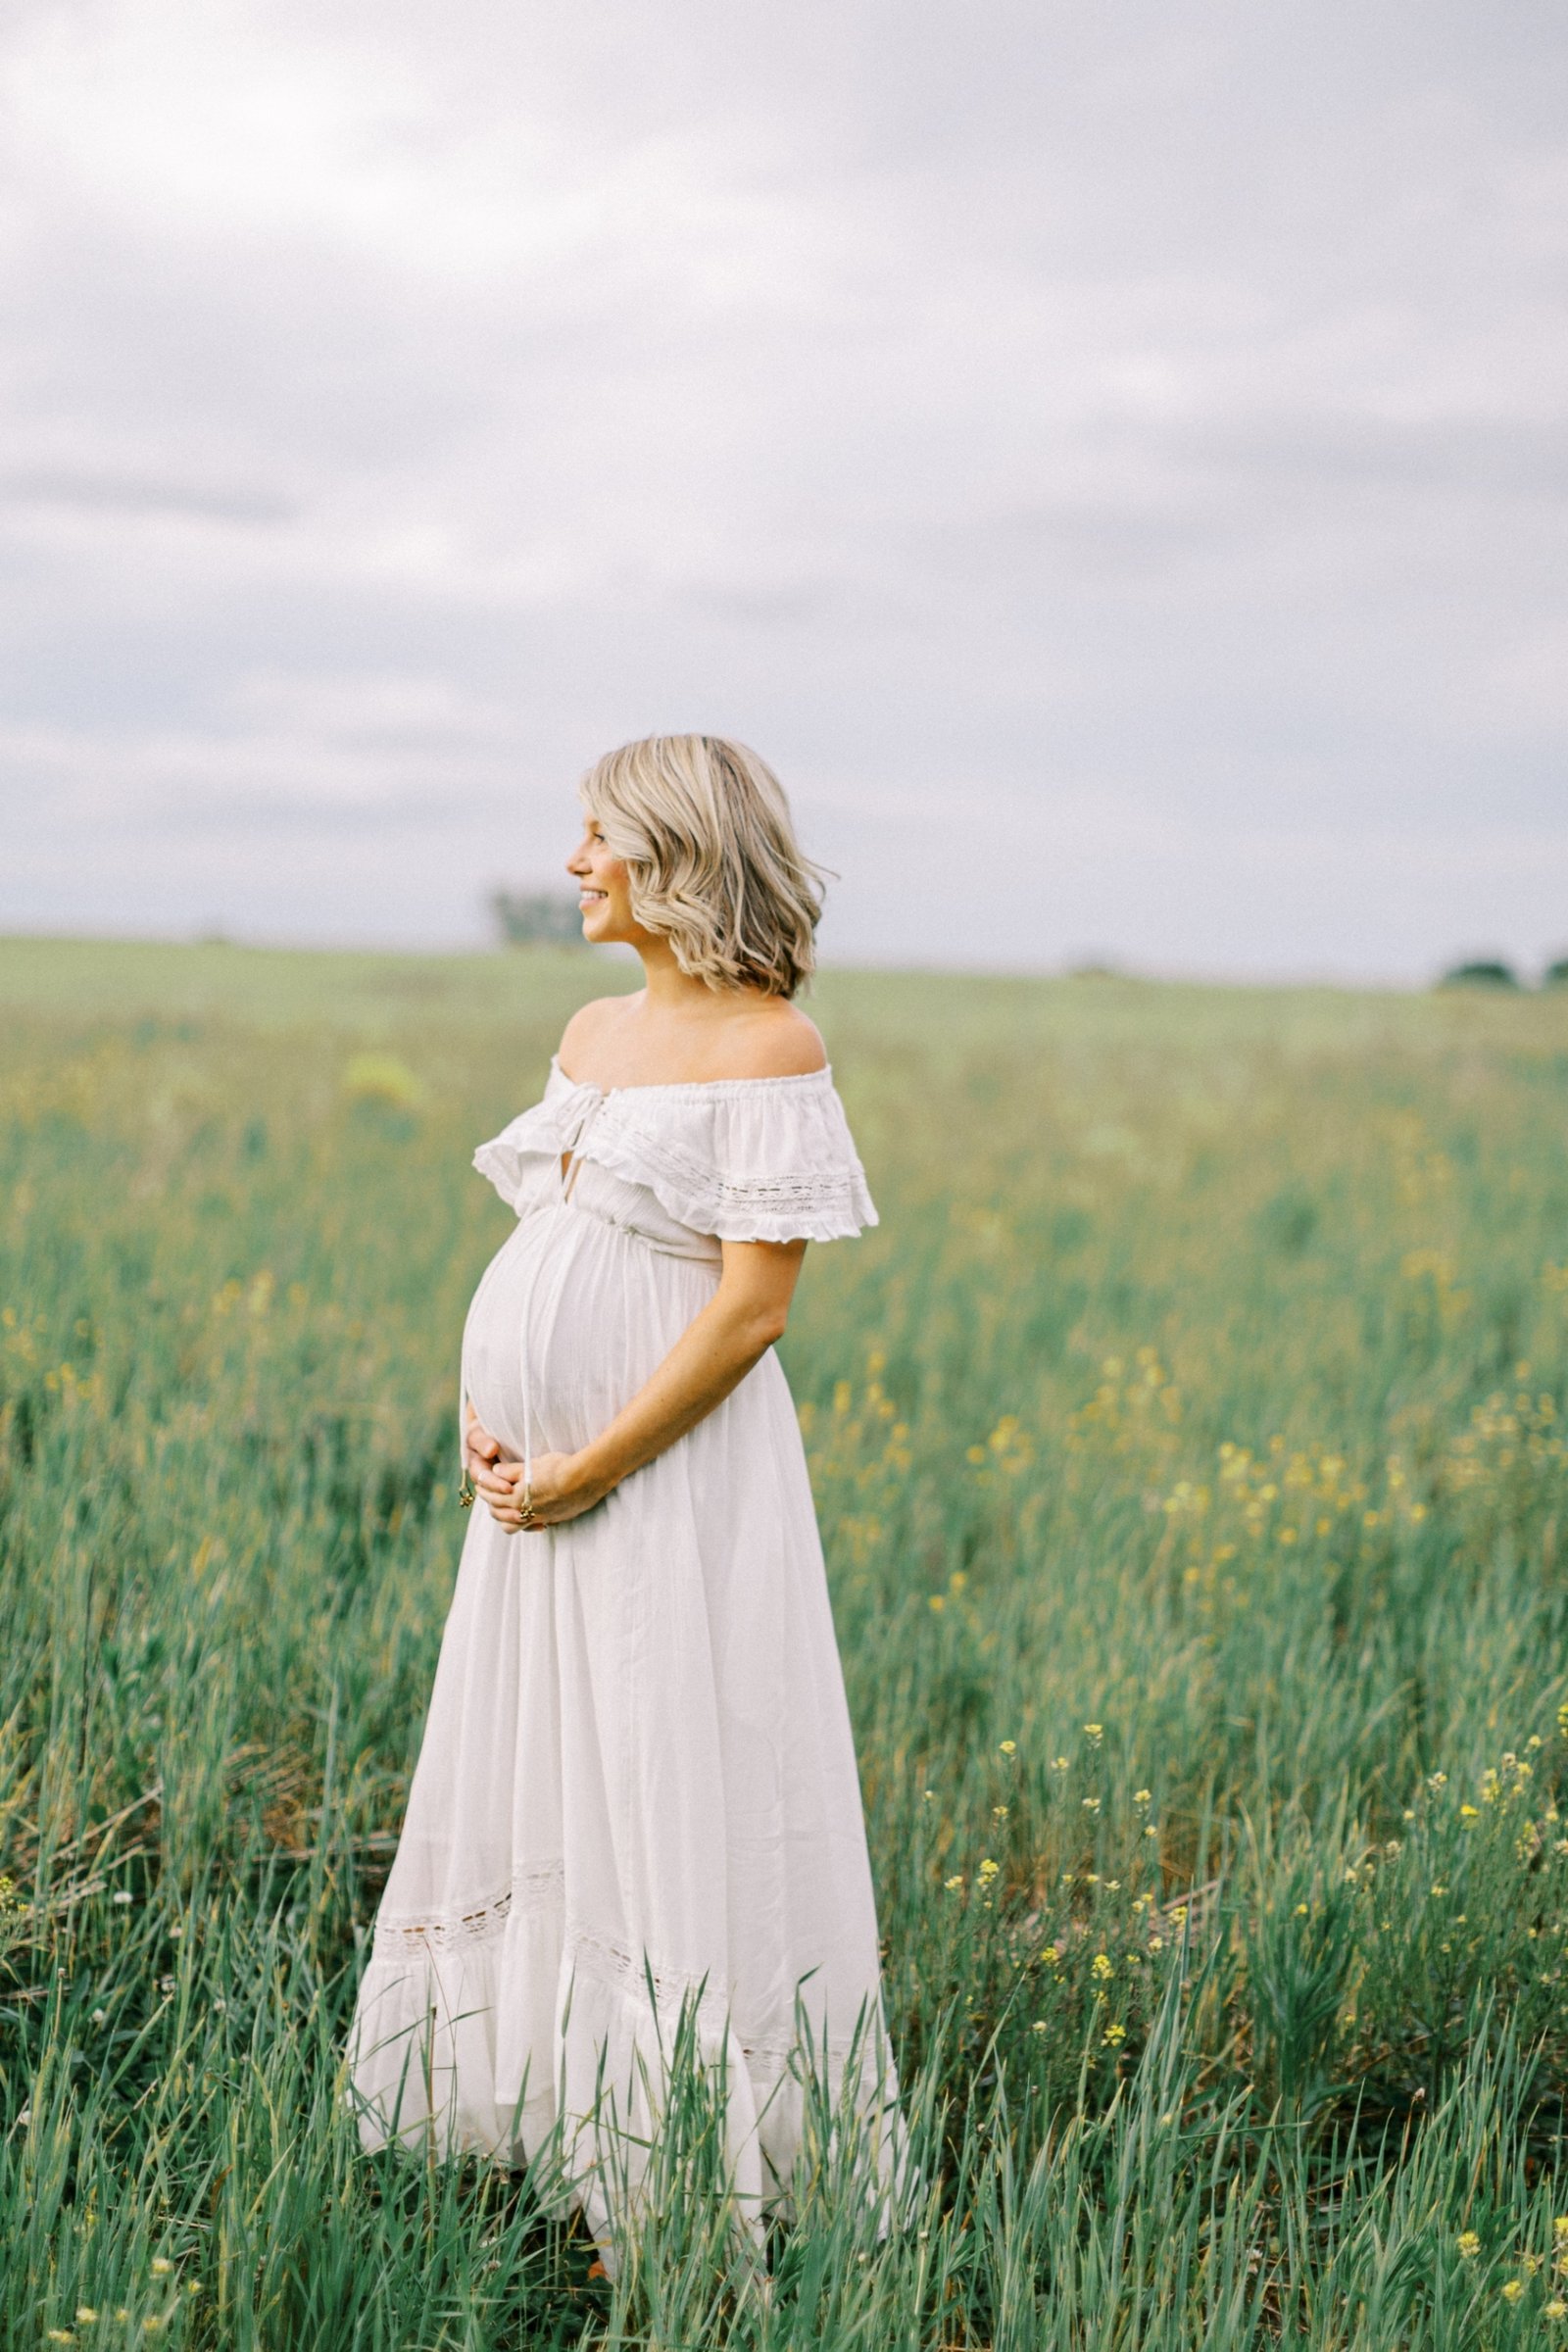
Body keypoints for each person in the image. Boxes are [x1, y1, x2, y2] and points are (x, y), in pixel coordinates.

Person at [349, 734, 899, 2261]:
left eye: (601, 837)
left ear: (676, 855)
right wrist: (491, 1410)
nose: (576, 863)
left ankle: (670, 2171)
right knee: (544, 1775)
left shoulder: (770, 1048)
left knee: (660, 1772)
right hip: (530, 1495)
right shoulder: (589, 1029)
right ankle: (537, 2113)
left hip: (661, 1486)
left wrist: (587, 1462)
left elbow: (749, 1311)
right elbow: (550, 1235)